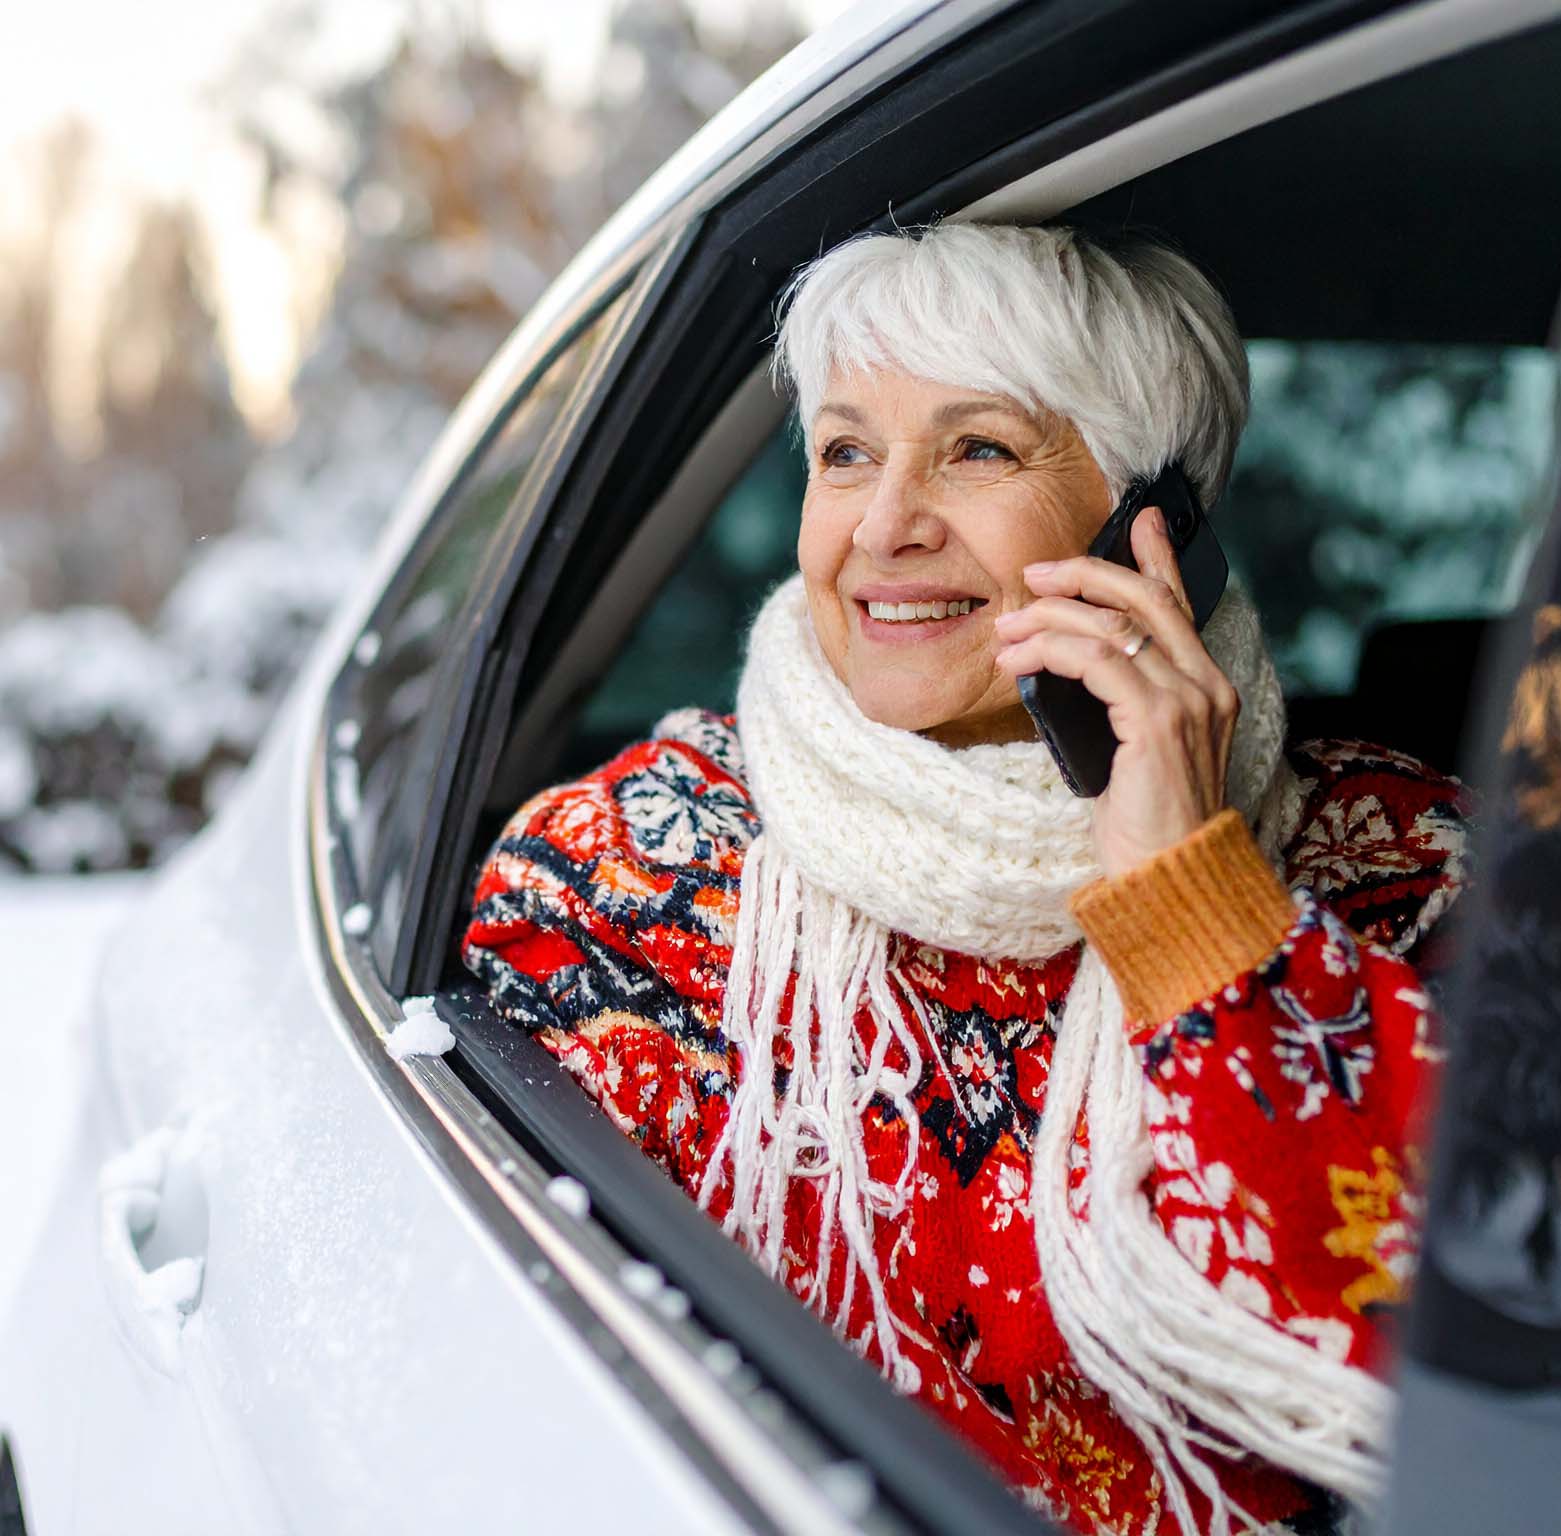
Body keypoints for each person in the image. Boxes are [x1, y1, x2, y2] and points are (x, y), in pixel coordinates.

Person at [463, 222, 1469, 1536]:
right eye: (845, 454)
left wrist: (1190, 895)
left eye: (978, 448)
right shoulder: (626, 880)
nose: (883, 528)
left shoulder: (1412, 870)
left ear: (1150, 528)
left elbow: (1492, 1383)